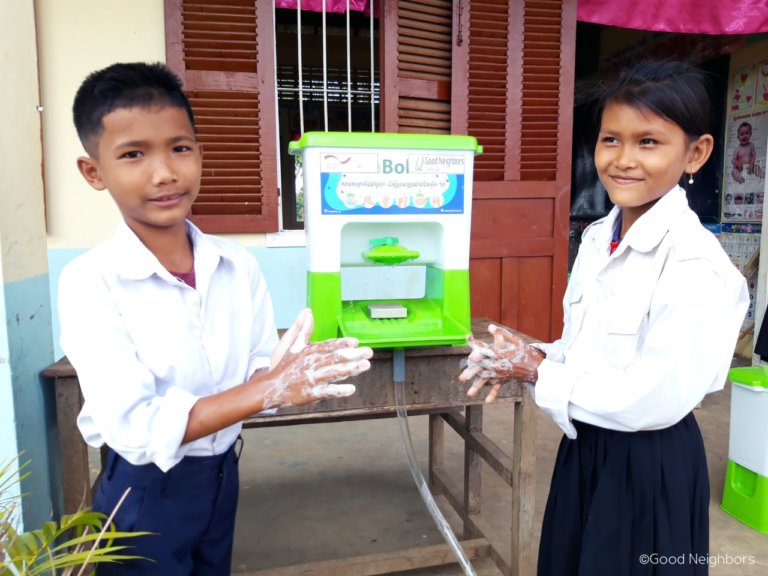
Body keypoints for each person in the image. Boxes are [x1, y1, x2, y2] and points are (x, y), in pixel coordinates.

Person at [59, 62, 373, 575]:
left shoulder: (237, 265)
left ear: (199, 154)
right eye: (133, 154)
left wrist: (279, 376)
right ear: (94, 171)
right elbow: (136, 424)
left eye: (180, 148)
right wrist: (265, 390)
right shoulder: (91, 280)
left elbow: (254, 368)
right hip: (145, 490)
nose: (164, 173)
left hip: (222, 473)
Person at [459, 60, 749, 575]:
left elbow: (651, 397)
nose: (623, 160)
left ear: (696, 152)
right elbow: (585, 349)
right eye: (611, 139)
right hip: (585, 447)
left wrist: (535, 370)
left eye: (649, 142)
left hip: (649, 466)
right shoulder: (598, 237)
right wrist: (528, 355)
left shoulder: (696, 266)